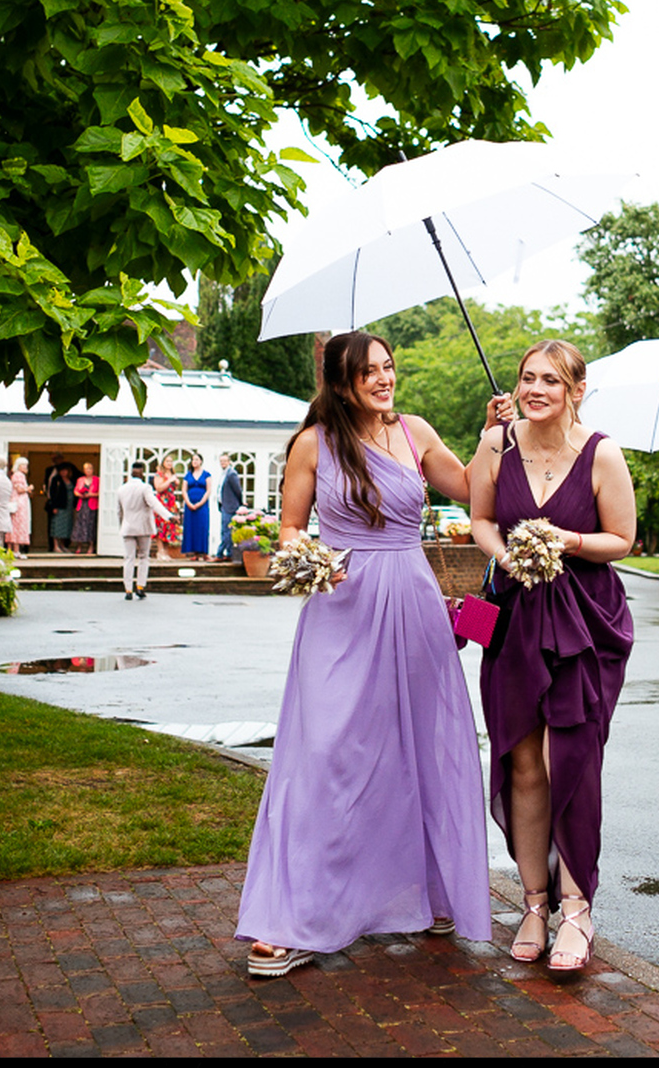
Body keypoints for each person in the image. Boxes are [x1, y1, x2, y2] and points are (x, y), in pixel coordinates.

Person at [237, 331, 512, 978]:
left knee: (425, 744)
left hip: (413, 600)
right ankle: (293, 917)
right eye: (369, 373)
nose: (384, 380)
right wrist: (307, 563)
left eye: (389, 367)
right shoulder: (314, 443)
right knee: (327, 755)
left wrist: (493, 432)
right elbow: (288, 528)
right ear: (340, 383)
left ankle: (429, 891)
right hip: (342, 605)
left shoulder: (414, 431)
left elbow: (471, 487)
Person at [471, 339, 635, 973]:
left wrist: (564, 539)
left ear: (575, 391)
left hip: (583, 622)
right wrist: (508, 554)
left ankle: (577, 907)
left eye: (549, 381)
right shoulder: (496, 444)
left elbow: (622, 539)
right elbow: (480, 515)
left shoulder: (602, 453)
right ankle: (533, 902)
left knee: (567, 758)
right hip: (515, 617)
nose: (534, 389)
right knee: (522, 763)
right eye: (526, 378)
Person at [116, 462, 173, 600]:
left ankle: (128, 589)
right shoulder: (145, 488)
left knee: (129, 558)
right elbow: (154, 504)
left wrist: (122, 525)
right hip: (143, 528)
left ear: (131, 473)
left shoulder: (121, 489)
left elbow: (119, 511)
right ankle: (140, 586)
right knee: (143, 557)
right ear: (142, 473)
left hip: (128, 527)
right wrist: (169, 516)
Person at [181, 453, 212, 559]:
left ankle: (204, 552)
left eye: (197, 459)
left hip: (202, 505)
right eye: (193, 460)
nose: (194, 461)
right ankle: (195, 553)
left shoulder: (206, 474)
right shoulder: (188, 475)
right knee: (191, 528)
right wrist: (189, 503)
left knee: (202, 527)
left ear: (201, 461)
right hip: (190, 506)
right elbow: (184, 490)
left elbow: (208, 490)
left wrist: (200, 503)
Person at [152, 455, 184, 558]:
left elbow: (173, 489)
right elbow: (159, 488)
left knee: (169, 528)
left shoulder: (173, 474)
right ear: (163, 463)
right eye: (167, 461)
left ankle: (166, 551)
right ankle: (160, 551)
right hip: (161, 502)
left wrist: (176, 483)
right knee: (160, 526)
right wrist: (169, 481)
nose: (169, 463)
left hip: (171, 503)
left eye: (171, 461)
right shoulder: (159, 474)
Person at [215, 453, 244, 562]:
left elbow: (238, 490)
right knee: (226, 531)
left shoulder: (231, 474)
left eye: (224, 461)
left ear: (229, 462)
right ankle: (228, 553)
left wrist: (240, 503)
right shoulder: (224, 474)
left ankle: (220, 554)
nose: (222, 463)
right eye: (221, 461)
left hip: (230, 506)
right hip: (224, 506)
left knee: (226, 531)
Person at [70, 462, 99, 553]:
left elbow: (101, 492)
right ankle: (79, 546)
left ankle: (91, 546)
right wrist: (79, 494)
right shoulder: (80, 480)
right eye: (86, 469)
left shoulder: (97, 480)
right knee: (80, 525)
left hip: (92, 505)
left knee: (91, 525)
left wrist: (91, 494)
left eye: (90, 469)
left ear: (93, 470)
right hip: (82, 504)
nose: (88, 471)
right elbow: (75, 490)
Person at [47, 463, 75, 552]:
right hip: (59, 506)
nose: (64, 472)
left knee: (66, 526)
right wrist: (54, 506)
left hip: (69, 507)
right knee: (56, 526)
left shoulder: (70, 480)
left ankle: (63, 545)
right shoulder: (56, 480)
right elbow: (52, 493)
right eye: (62, 471)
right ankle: (56, 545)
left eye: (65, 470)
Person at [9, 456, 32, 554]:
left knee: (14, 524)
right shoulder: (19, 475)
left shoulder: (16, 475)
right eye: (24, 465)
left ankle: (11, 550)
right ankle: (16, 550)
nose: (26, 467)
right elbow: (19, 490)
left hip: (18, 502)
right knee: (18, 524)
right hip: (19, 503)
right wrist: (29, 488)